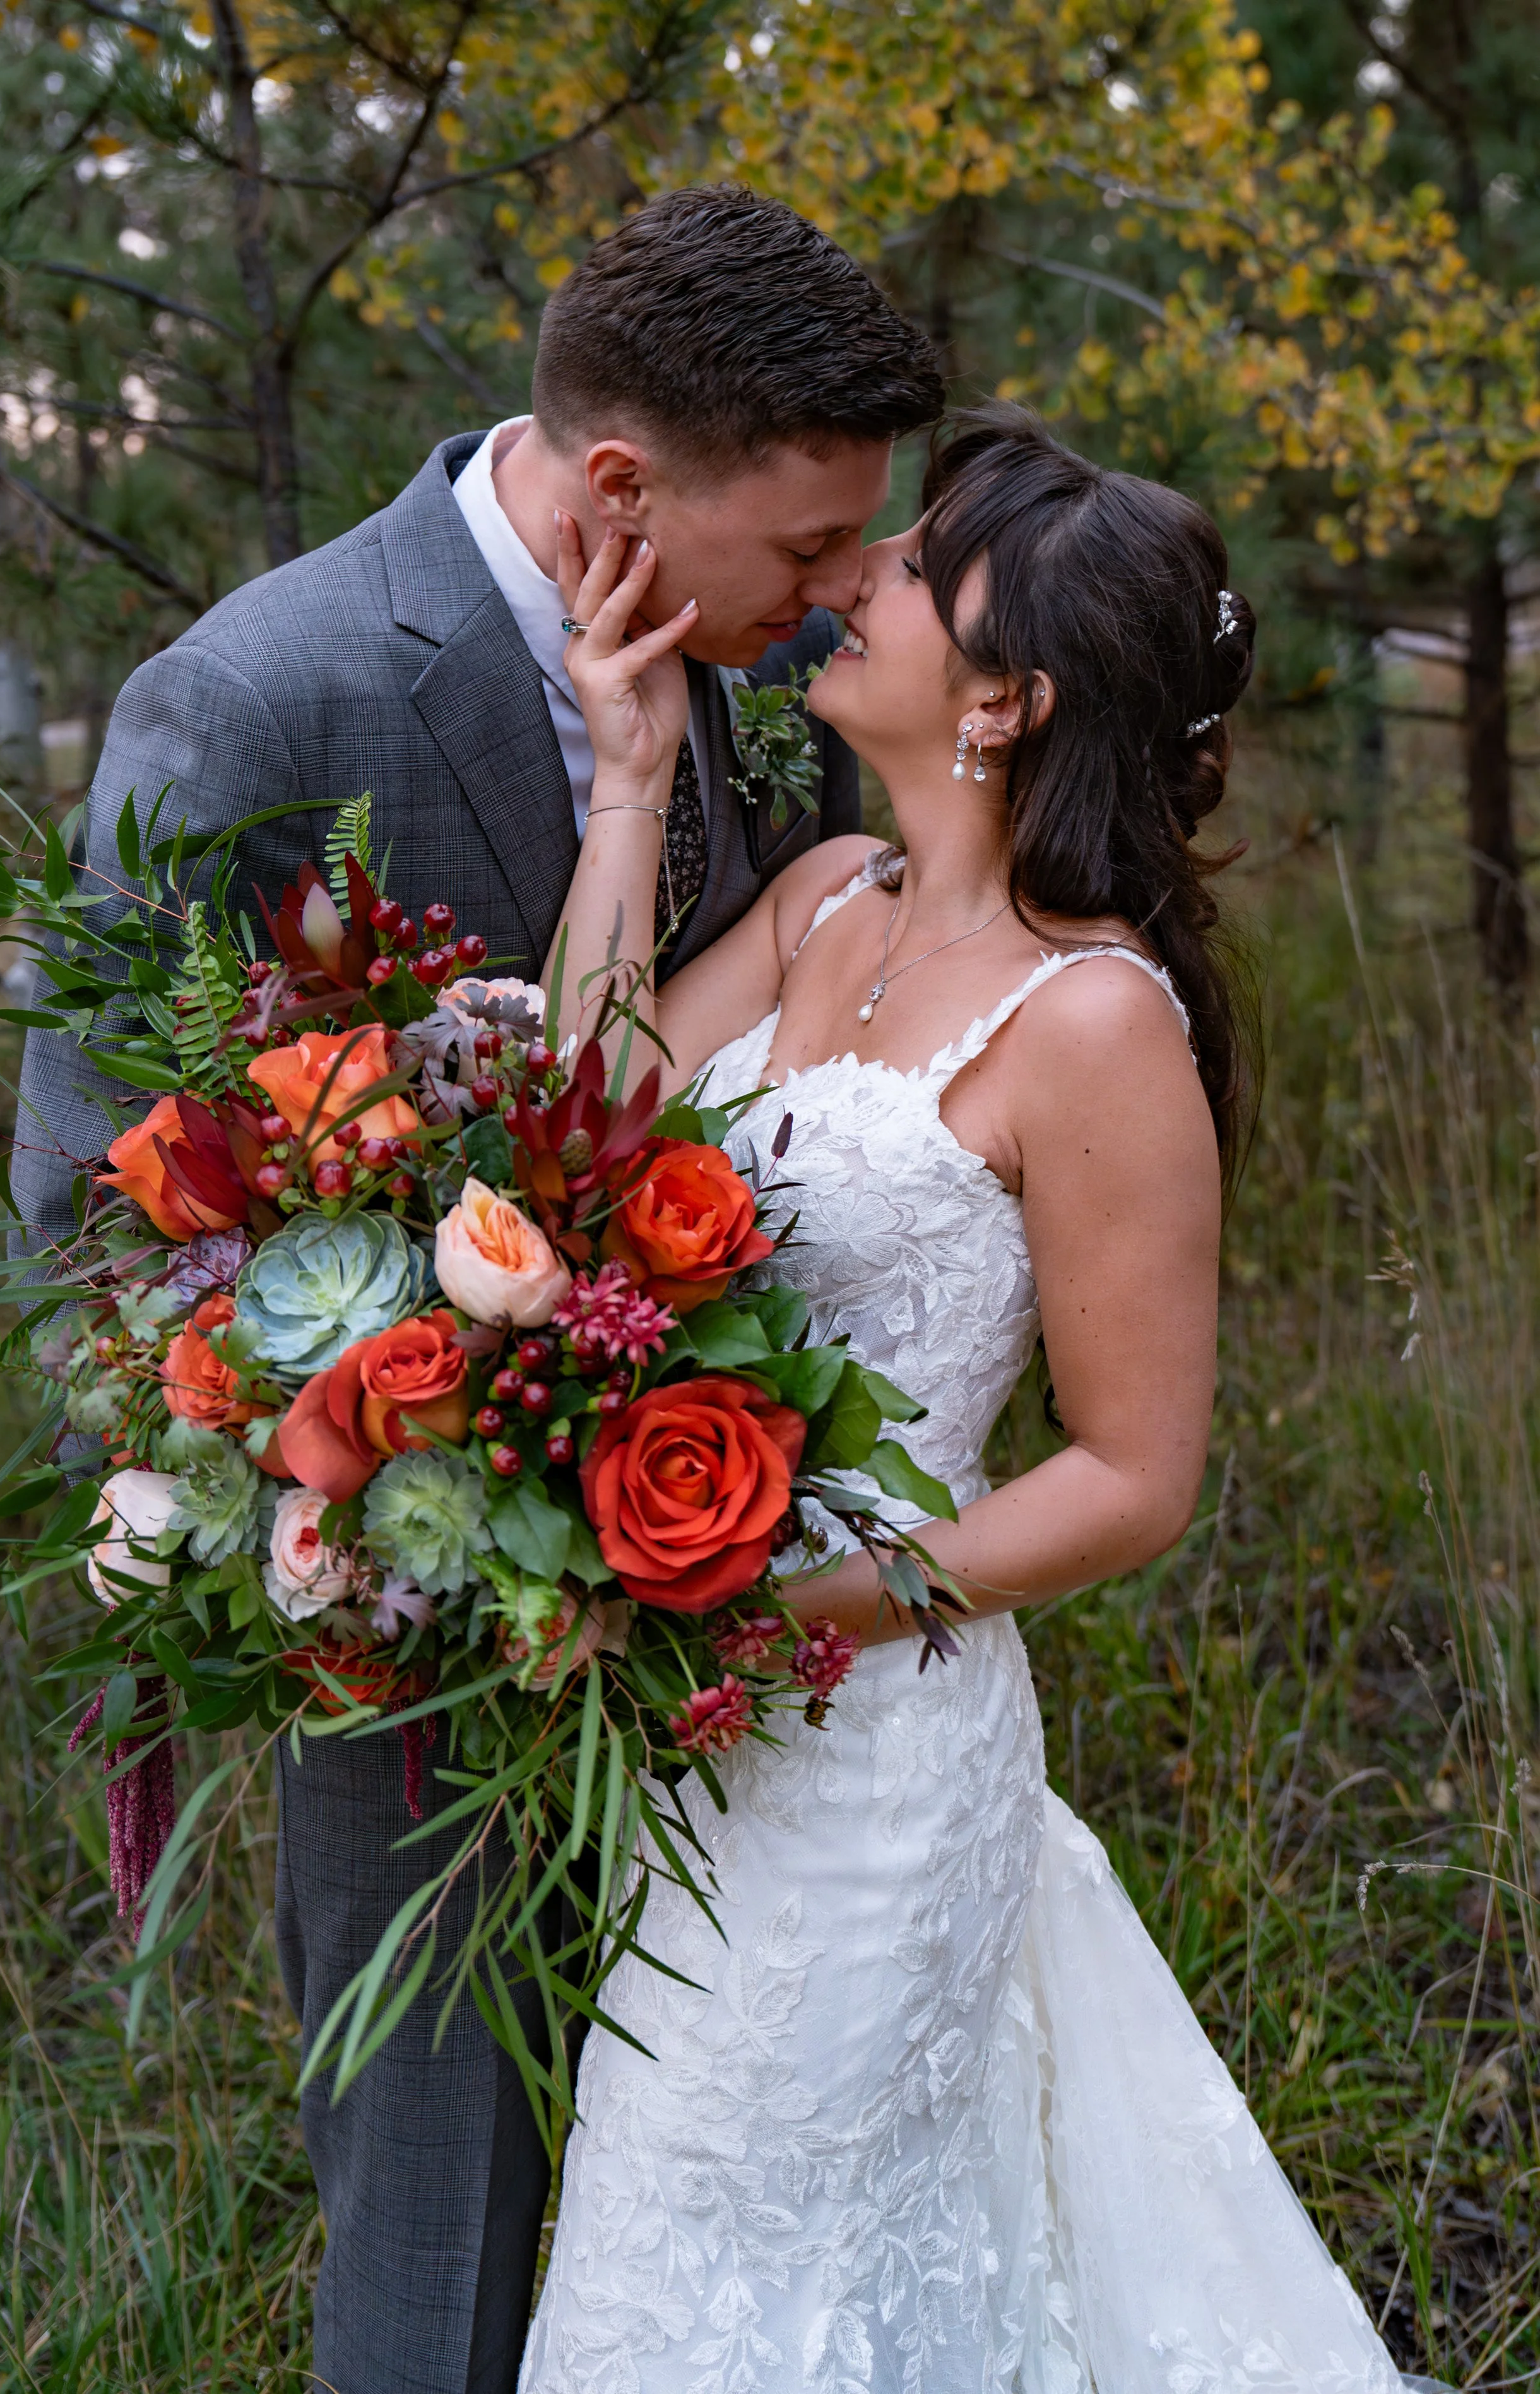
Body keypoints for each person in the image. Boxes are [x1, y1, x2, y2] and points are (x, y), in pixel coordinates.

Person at [9, 187, 944, 2394]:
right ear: (622, 484)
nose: (833, 609)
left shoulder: (732, 680)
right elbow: (83, 1205)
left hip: (722, 1622)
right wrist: (325, 1505)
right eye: (807, 554)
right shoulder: (256, 692)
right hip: (405, 1624)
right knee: (444, 2203)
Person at [518, 407, 1409, 2393]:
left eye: (912, 573)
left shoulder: (1086, 1020)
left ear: (1005, 698)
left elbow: (1129, 1474)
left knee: (783, 2257)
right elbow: (571, 1140)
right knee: (667, 2234)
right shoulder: (829, 889)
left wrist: (768, 1606)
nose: (852, 581)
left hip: (863, 1753)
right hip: (690, 1740)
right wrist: (624, 785)